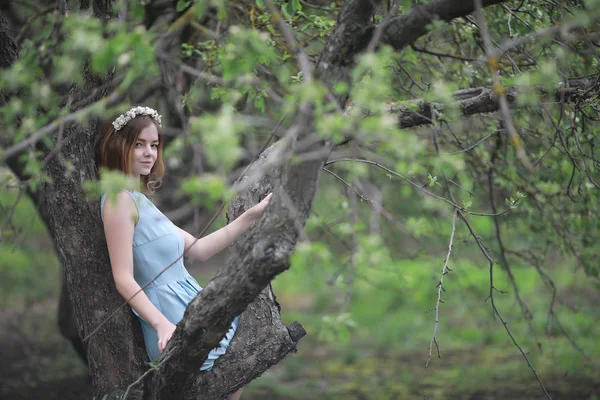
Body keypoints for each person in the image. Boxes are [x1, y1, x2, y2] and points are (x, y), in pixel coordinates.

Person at [95, 106, 271, 400]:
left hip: (193, 305)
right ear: (118, 145)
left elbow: (199, 250)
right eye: (138, 144)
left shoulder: (140, 200)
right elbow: (123, 277)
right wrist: (161, 324)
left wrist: (252, 215)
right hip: (169, 316)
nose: (149, 153)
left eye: (153, 145)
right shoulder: (117, 200)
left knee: (233, 379)